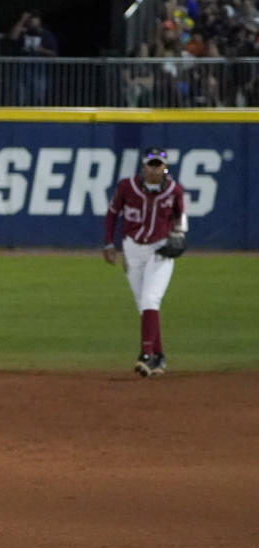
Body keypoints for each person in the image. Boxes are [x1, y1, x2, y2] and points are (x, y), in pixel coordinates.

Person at [102, 147, 187, 378]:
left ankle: (146, 355)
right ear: (143, 166)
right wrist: (109, 244)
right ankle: (159, 357)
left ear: (165, 167)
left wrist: (179, 235)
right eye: (151, 164)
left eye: (159, 164)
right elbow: (112, 213)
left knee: (151, 299)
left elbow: (180, 216)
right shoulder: (126, 187)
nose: (155, 168)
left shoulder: (174, 190)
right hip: (132, 249)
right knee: (144, 305)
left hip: (159, 249)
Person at [7, 9, 56, 106]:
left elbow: (54, 53)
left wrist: (42, 50)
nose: (31, 21)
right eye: (29, 19)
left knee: (38, 94)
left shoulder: (46, 35)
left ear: (39, 20)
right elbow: (12, 37)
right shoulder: (22, 32)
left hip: (38, 71)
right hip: (20, 71)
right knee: (19, 95)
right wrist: (21, 20)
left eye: (34, 19)